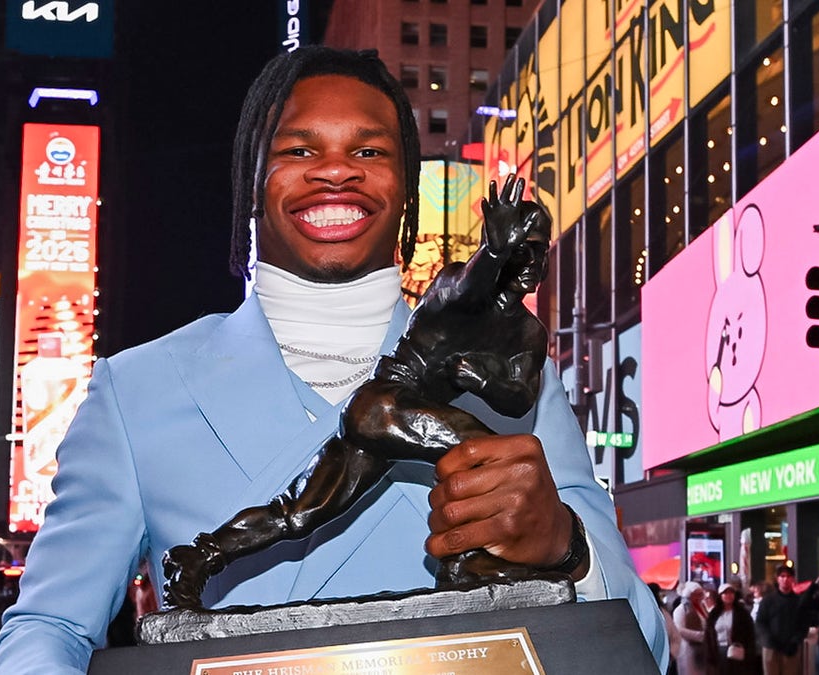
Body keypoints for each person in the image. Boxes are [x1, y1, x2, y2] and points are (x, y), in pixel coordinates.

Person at [0, 46, 667, 674]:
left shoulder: (510, 375)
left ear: (407, 184)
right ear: (251, 178)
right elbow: (47, 626)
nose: (336, 168)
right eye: (298, 147)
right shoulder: (134, 390)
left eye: (369, 149)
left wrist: (566, 548)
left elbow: (646, 641)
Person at [163, 173, 557, 602]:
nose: (531, 263)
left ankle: (197, 559)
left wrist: (483, 379)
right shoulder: (454, 286)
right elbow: (469, 289)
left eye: (540, 252)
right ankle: (465, 562)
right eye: (522, 250)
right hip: (382, 404)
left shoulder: (529, 334)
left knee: (298, 513)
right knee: (485, 456)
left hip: (390, 423)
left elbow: (520, 397)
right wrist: (493, 253)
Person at [755, 565, 810, 675]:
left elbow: (804, 624)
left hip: (791, 647)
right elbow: (760, 622)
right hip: (771, 646)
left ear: (793, 579)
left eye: (789, 576)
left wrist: (795, 641)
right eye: (782, 576)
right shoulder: (768, 600)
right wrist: (768, 639)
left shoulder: (799, 601)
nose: (785, 579)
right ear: (777, 579)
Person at [704, 581, 759, 674]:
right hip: (719, 650)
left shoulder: (742, 613)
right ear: (720, 596)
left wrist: (749, 652)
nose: (729, 595)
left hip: (737, 651)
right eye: (725, 593)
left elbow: (750, 634)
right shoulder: (714, 614)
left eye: (731, 593)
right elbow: (708, 634)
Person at [675, 581, 709, 675]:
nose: (698, 597)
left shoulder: (702, 607)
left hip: (703, 648)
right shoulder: (681, 609)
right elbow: (679, 630)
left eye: (700, 594)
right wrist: (700, 636)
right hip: (688, 649)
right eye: (695, 594)